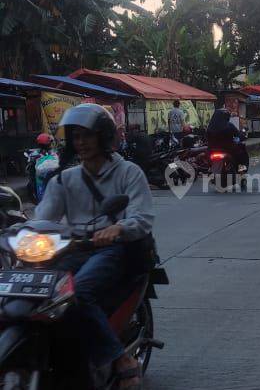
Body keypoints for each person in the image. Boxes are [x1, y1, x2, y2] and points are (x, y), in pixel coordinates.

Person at [35, 104, 154, 389]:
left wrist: (118, 228)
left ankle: (120, 358)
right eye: (76, 137)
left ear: (104, 136)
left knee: (77, 293)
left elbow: (143, 217)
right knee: (37, 293)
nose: (81, 143)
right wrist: (21, 231)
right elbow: (42, 219)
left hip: (114, 249)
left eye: (87, 136)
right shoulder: (64, 179)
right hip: (72, 250)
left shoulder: (128, 173)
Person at [207, 104, 249, 172]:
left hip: (212, 149)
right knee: (241, 148)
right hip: (228, 148)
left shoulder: (210, 127)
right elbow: (238, 135)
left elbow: (206, 138)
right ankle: (241, 167)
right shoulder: (229, 125)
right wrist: (242, 136)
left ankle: (209, 168)